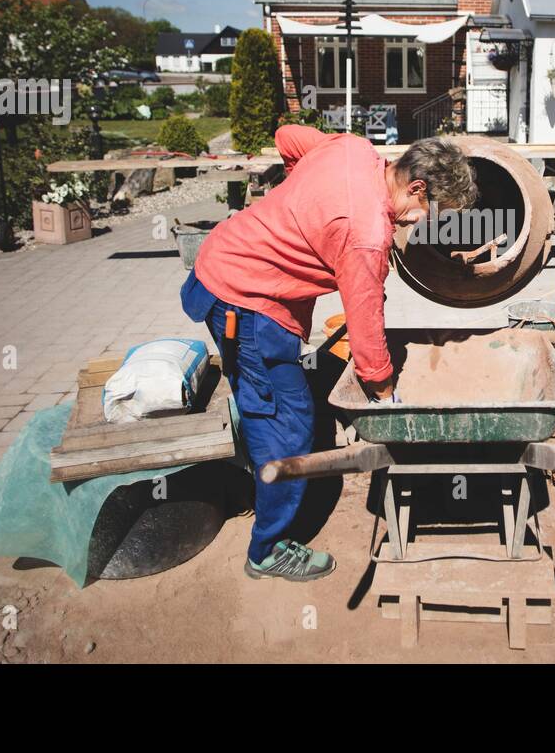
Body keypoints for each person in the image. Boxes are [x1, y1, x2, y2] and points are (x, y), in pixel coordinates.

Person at [181, 126, 478, 581]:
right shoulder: (365, 234)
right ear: (416, 187)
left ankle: (256, 470)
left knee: (273, 406)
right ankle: (267, 550)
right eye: (425, 215)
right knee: (288, 424)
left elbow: (287, 137)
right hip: (248, 304)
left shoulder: (354, 149)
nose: (417, 225)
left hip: (221, 259)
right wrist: (386, 396)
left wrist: (301, 207)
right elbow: (365, 334)